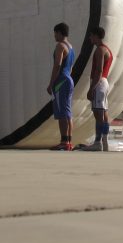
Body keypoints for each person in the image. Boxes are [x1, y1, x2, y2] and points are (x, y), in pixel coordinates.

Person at [82, 27, 113, 151]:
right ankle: (104, 141)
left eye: (91, 36)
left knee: (98, 114)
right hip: (104, 82)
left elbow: (99, 70)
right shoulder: (108, 50)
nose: (90, 38)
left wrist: (91, 88)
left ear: (96, 36)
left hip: (99, 83)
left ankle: (98, 142)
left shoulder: (100, 50)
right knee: (103, 114)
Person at [47, 22, 75, 151]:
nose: (54, 36)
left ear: (59, 32)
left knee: (62, 112)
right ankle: (68, 141)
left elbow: (57, 65)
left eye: (55, 33)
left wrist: (51, 83)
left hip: (61, 81)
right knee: (68, 113)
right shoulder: (71, 47)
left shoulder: (60, 46)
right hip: (68, 79)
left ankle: (64, 142)